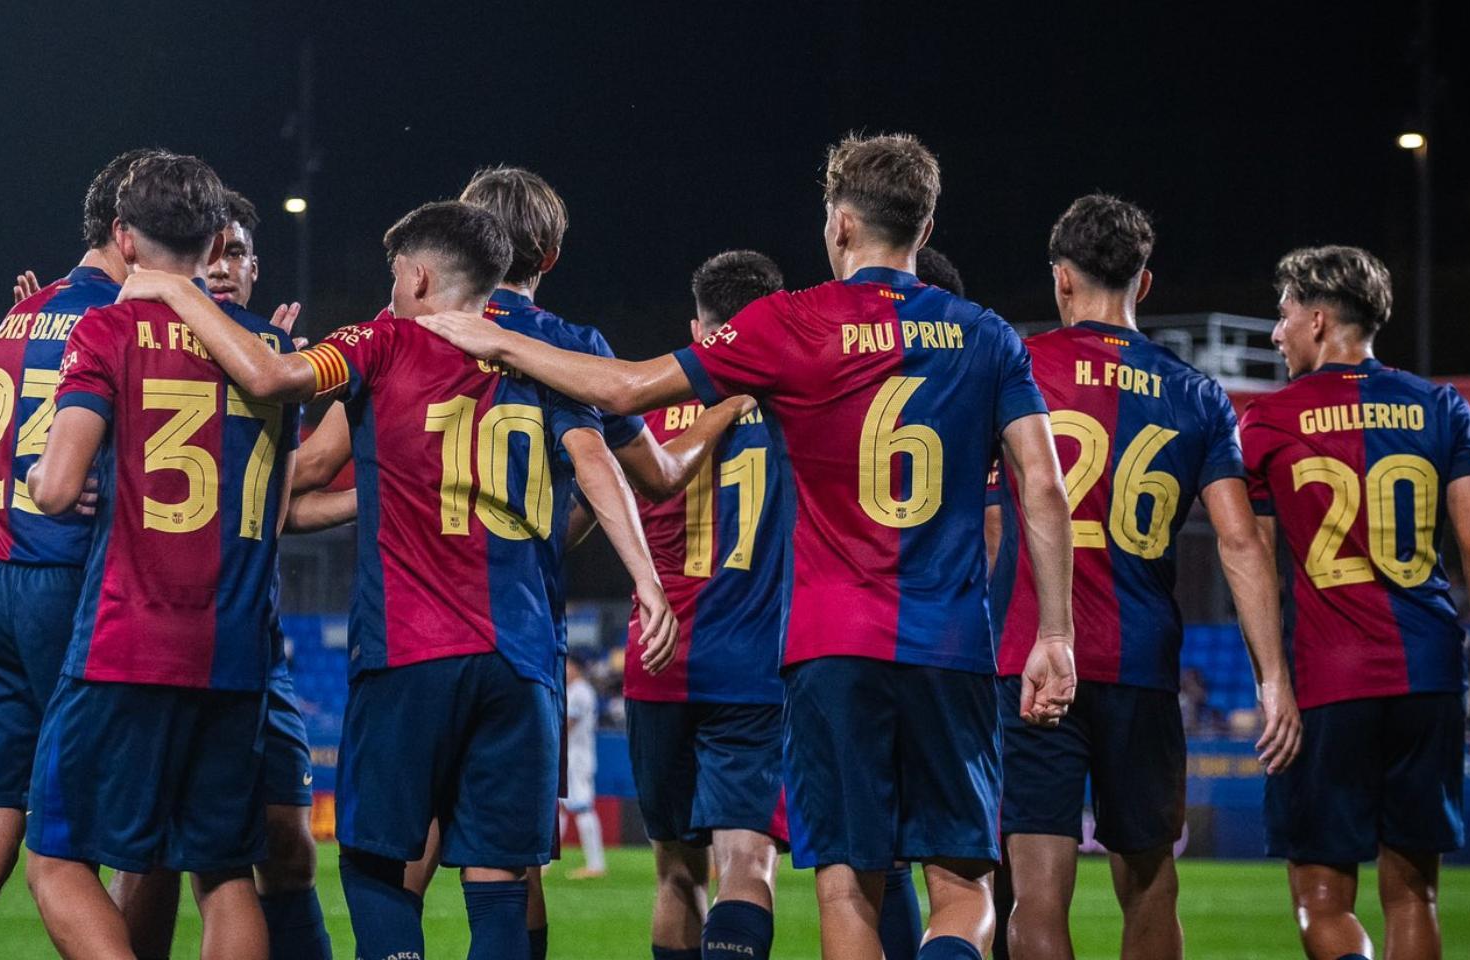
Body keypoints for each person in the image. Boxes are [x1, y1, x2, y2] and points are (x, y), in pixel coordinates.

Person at [418, 132, 1079, 960]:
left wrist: (501, 341)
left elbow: (623, 388)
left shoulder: (793, 322)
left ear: (840, 225)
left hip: (828, 647)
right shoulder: (989, 337)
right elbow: (1044, 488)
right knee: (963, 888)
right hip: (951, 645)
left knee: (845, 883)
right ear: (925, 223)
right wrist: (1054, 631)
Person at [113, 199, 679, 960]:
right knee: (501, 880)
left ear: (415, 276)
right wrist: (645, 579)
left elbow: (278, 377)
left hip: (407, 654)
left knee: (378, 866)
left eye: (392, 275)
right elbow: (601, 465)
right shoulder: (547, 353)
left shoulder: (380, 341)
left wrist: (178, 290)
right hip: (521, 661)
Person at [988, 195, 1300, 960]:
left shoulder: (1017, 367)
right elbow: (1240, 543)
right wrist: (1272, 680)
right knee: (1153, 887)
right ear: (1145, 284)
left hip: (1028, 660)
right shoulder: (1197, 395)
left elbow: (991, 518)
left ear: (1061, 280)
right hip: (1143, 668)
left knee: (1034, 896)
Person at [23, 151, 300, 960]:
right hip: (238, 649)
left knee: (56, 861)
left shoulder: (106, 327)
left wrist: (44, 474)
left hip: (127, 641)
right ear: (219, 242)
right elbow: (279, 510)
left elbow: (57, 484)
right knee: (223, 874)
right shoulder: (272, 348)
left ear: (123, 237)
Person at [1240, 245, 1470, 960]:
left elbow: (1251, 559)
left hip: (1329, 681)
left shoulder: (1271, 420)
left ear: (1317, 318)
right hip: (1429, 677)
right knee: (1415, 894)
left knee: (1322, 900)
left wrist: (1272, 682)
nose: (1275, 335)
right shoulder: (1442, 407)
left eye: (1280, 318)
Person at [0, 148, 151, 960]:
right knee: (80, 844)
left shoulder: (14, 317)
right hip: (69, 580)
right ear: (126, 236)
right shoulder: (119, 321)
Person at [102, 188, 333, 960]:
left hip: (250, 641)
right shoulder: (141, 344)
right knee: (160, 857)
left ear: (255, 269)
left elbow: (285, 508)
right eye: (216, 250)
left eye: (239, 253)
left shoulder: (270, 356)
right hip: (157, 632)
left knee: (286, 844)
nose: (225, 266)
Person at [624, 249, 798, 960]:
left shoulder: (647, 407)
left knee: (674, 874)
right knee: (747, 866)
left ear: (699, 327)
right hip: (756, 668)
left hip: (658, 665)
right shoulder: (799, 411)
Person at [562, 657, 607, 878]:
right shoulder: (575, 690)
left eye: (567, 666)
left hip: (577, 758)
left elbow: (568, 725)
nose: (563, 669)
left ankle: (596, 864)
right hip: (570, 756)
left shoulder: (580, 692)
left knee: (583, 807)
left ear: (576, 668)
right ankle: (546, 860)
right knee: (560, 807)